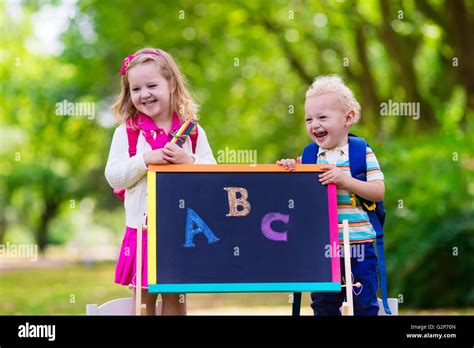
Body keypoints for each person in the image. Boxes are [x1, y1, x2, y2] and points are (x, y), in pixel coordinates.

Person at [105, 47, 216, 315]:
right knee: (142, 303)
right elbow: (114, 176)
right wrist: (146, 159)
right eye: (136, 88)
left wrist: (187, 161)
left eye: (152, 85)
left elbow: (213, 174)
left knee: (175, 301)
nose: (144, 94)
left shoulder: (192, 132)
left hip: (180, 230)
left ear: (172, 85)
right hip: (141, 231)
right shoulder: (127, 133)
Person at [277, 75, 385, 315]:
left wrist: (345, 180)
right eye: (309, 119)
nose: (314, 124)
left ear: (348, 118)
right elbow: (296, 196)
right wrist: (289, 168)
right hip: (323, 247)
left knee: (364, 304)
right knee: (324, 305)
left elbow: (378, 192)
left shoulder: (361, 153)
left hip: (360, 245)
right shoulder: (309, 157)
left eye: (322, 117)